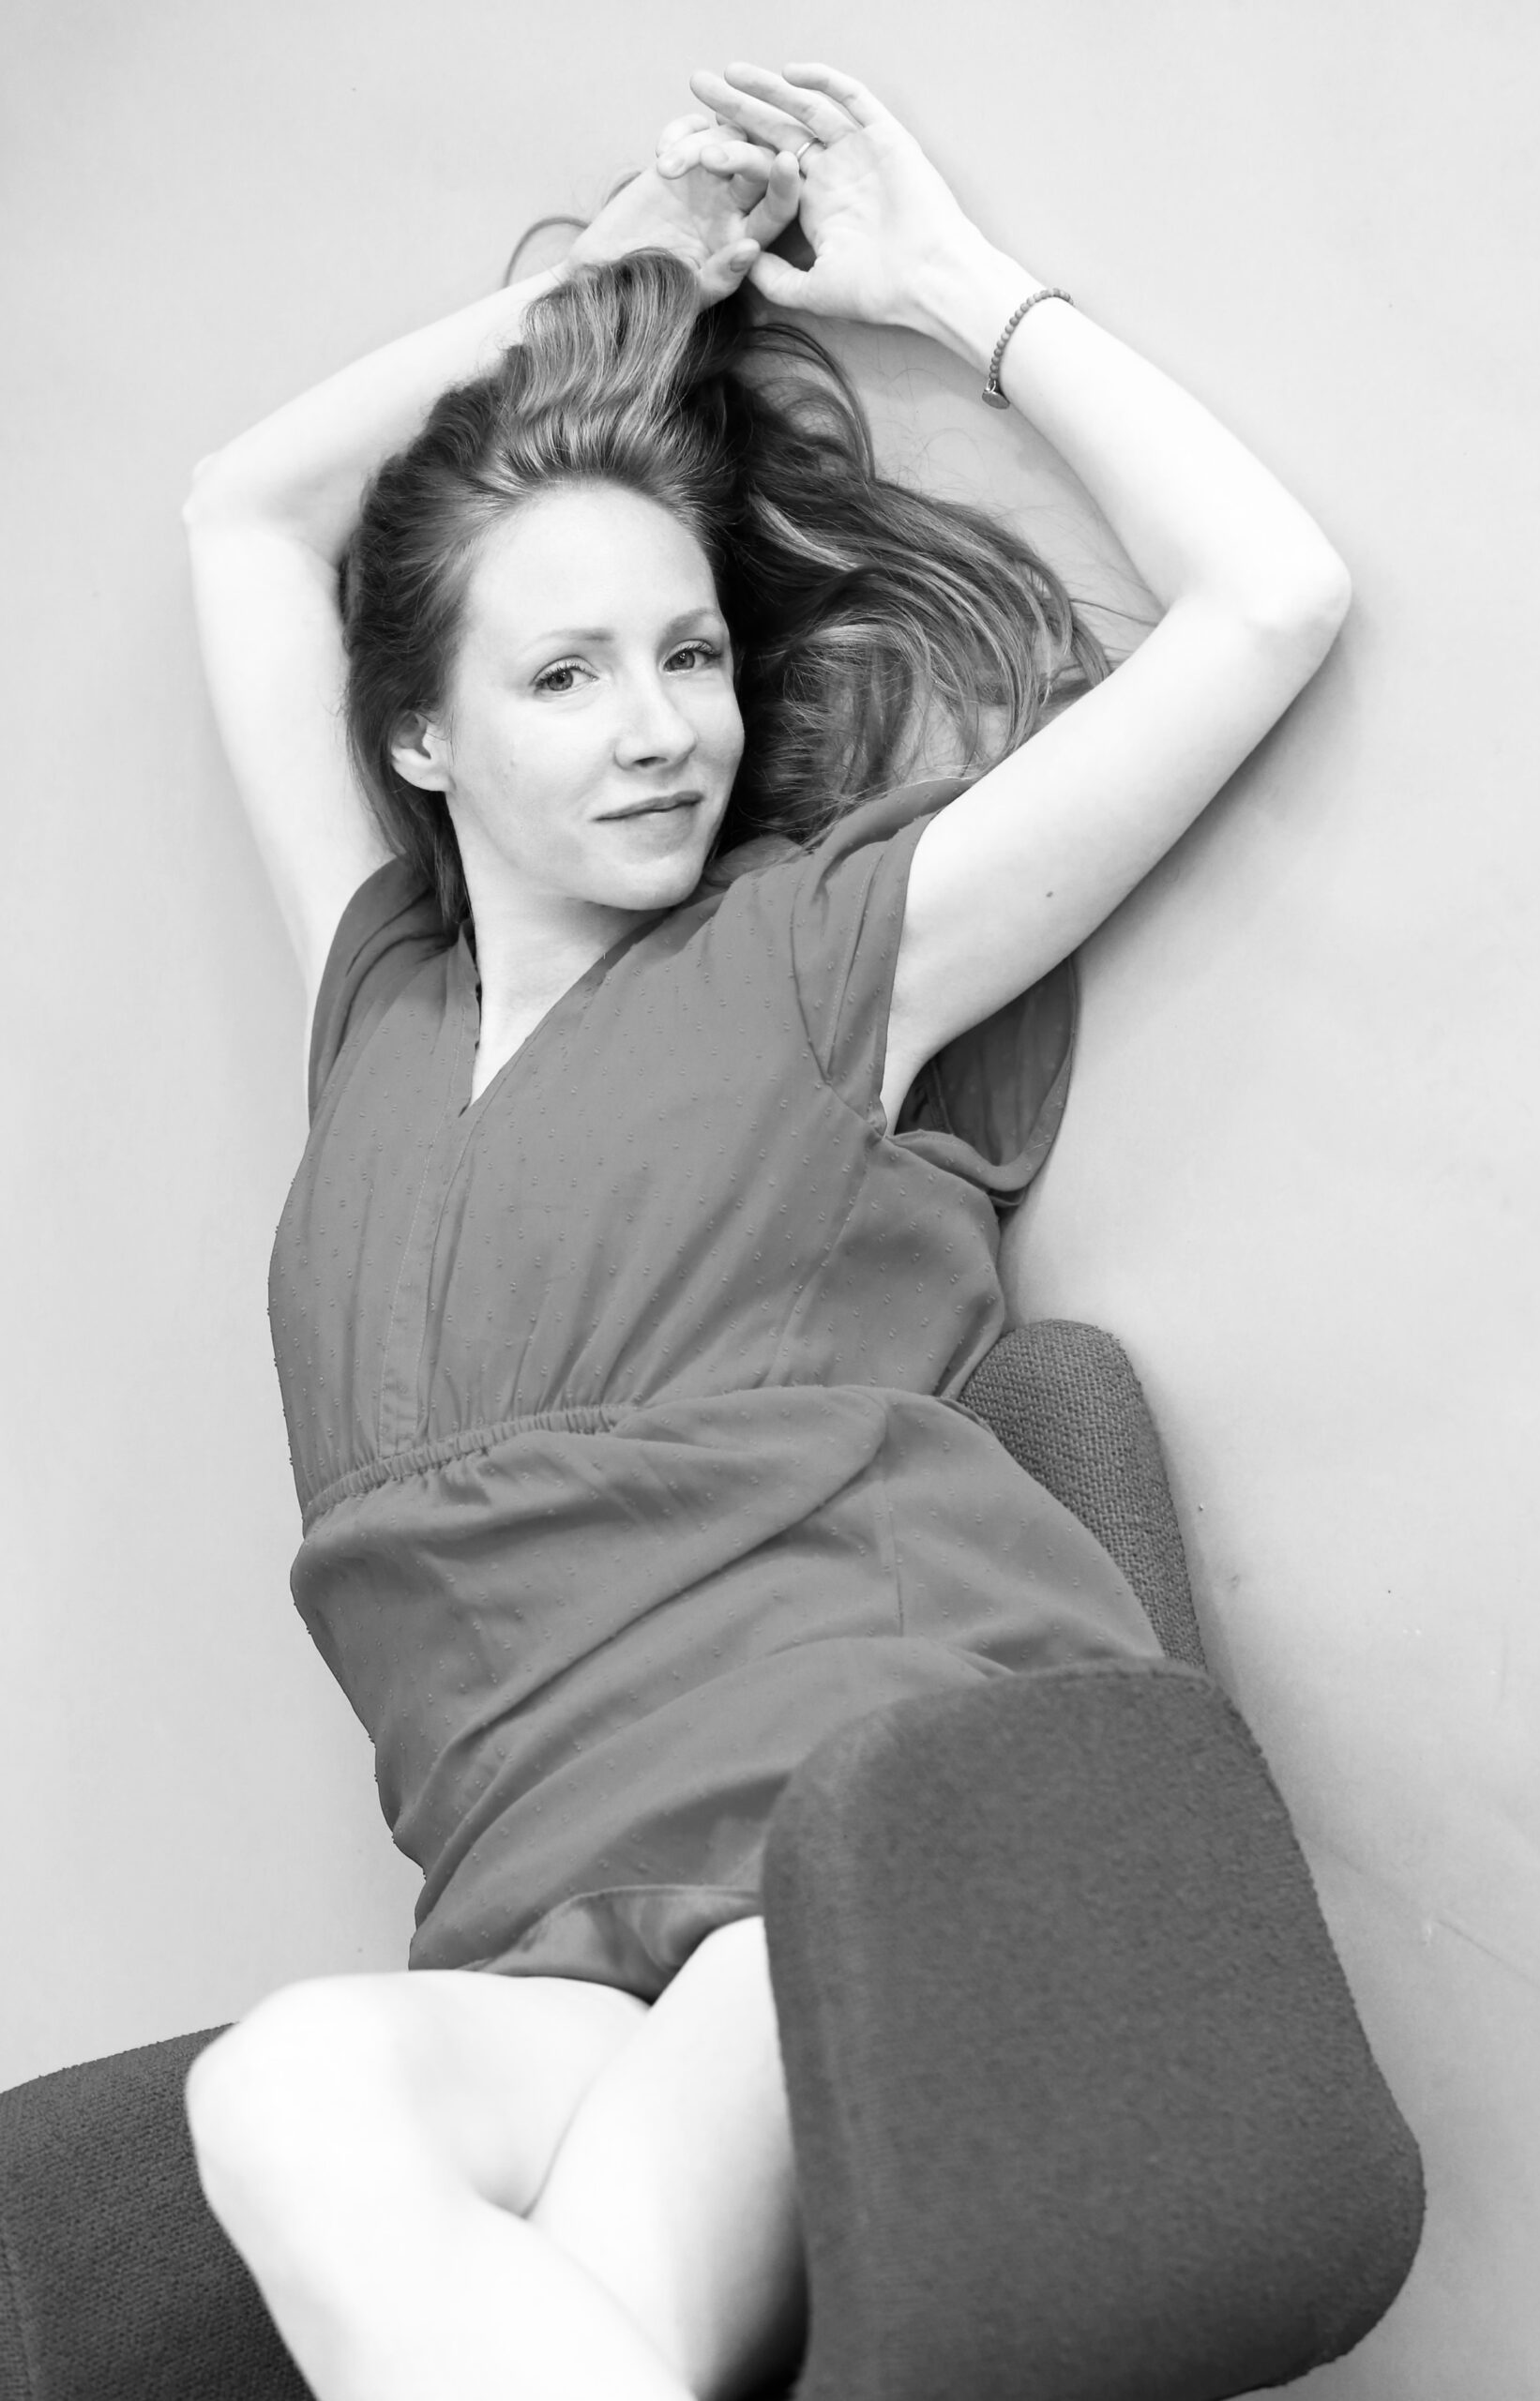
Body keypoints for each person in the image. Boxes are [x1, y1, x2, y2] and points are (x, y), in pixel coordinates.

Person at [177, 57, 1351, 2401]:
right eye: (563, 672)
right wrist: (614, 280)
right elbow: (240, 512)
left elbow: (1271, 595)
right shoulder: (375, 1008)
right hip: (548, 1926)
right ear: (417, 737)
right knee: (278, 2090)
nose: (659, 729)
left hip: (867, 1823)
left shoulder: (825, 957)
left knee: (601, 2267)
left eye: (689, 652)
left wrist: (957, 291)